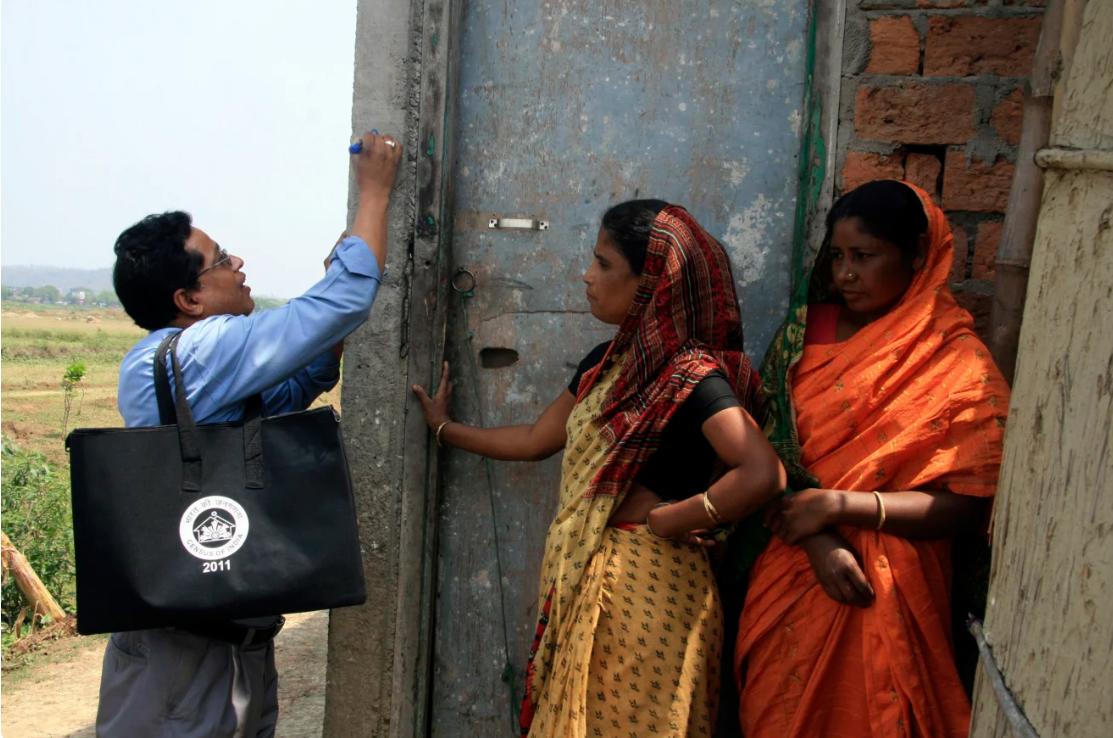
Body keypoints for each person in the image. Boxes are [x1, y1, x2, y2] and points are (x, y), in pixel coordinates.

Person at [412, 200, 786, 736]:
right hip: (592, 576)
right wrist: (445, 429)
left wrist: (673, 520)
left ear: (651, 282)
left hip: (653, 590)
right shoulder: (605, 363)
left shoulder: (693, 377)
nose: (587, 276)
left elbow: (762, 472)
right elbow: (537, 439)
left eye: (604, 264)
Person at [97, 131, 402, 737]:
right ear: (188, 299)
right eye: (221, 261)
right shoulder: (200, 350)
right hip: (187, 659)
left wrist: (320, 335)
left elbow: (290, 391)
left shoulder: (187, 359)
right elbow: (343, 301)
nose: (238, 265)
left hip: (221, 642)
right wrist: (375, 193)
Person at [734, 180, 1011, 738]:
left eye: (864, 256)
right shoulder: (801, 336)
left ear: (916, 256)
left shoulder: (956, 361)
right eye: (836, 257)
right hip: (792, 568)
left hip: (895, 588)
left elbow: (969, 504)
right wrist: (817, 537)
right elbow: (761, 451)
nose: (845, 274)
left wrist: (843, 506)